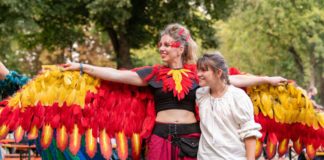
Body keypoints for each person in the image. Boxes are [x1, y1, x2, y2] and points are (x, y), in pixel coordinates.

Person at [63, 23, 286, 159]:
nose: (161, 48)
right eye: (160, 44)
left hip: (192, 138)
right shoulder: (153, 73)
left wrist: (267, 79)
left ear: (180, 48)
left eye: (167, 45)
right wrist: (82, 67)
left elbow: (233, 79)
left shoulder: (198, 73)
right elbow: (117, 74)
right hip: (160, 137)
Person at [196, 52, 262, 160]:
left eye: (204, 70)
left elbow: (249, 132)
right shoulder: (200, 94)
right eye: (198, 70)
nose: (198, 74)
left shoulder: (238, 96)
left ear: (218, 73)